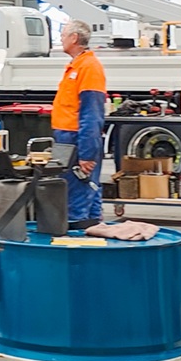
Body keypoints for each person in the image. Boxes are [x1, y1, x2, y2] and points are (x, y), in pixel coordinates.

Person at [53, 20, 107, 229]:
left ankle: (77, 240)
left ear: (74, 38)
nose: (61, 38)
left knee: (77, 194)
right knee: (84, 190)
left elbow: (91, 115)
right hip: (67, 139)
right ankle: (92, 232)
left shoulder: (89, 68)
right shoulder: (76, 66)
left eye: (63, 34)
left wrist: (87, 154)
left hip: (75, 141)